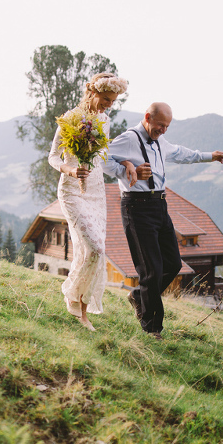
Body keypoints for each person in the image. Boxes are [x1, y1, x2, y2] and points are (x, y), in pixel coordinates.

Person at [104, 102, 223, 340]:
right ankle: (152, 328)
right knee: (151, 270)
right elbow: (100, 158)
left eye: (167, 126)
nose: (163, 130)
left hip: (160, 205)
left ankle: (139, 296)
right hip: (136, 206)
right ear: (147, 117)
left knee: (172, 264)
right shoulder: (129, 139)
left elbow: (182, 154)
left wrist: (209, 157)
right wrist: (127, 169)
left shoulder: (161, 141)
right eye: (160, 125)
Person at [47, 72, 135, 331]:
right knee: (94, 248)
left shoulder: (105, 120)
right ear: (93, 93)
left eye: (113, 101)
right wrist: (71, 170)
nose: (109, 105)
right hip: (72, 191)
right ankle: (73, 296)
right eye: (106, 99)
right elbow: (53, 157)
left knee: (94, 251)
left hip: (96, 190)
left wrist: (126, 163)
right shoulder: (70, 118)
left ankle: (81, 309)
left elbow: (104, 154)